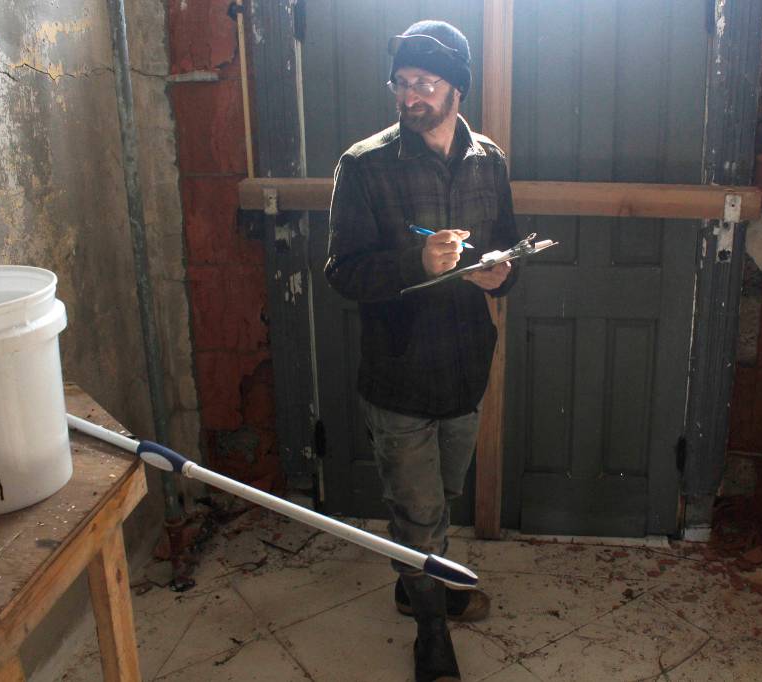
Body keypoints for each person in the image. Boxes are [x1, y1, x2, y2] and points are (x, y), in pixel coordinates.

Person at [324, 19, 520, 682]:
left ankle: (415, 583)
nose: (408, 96)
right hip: (399, 370)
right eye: (401, 82)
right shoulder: (363, 164)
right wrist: (417, 260)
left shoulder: (488, 160)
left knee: (443, 492)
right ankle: (431, 631)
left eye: (424, 84)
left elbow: (509, 248)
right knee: (420, 514)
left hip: (466, 365)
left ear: (456, 90)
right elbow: (343, 271)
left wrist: (502, 273)